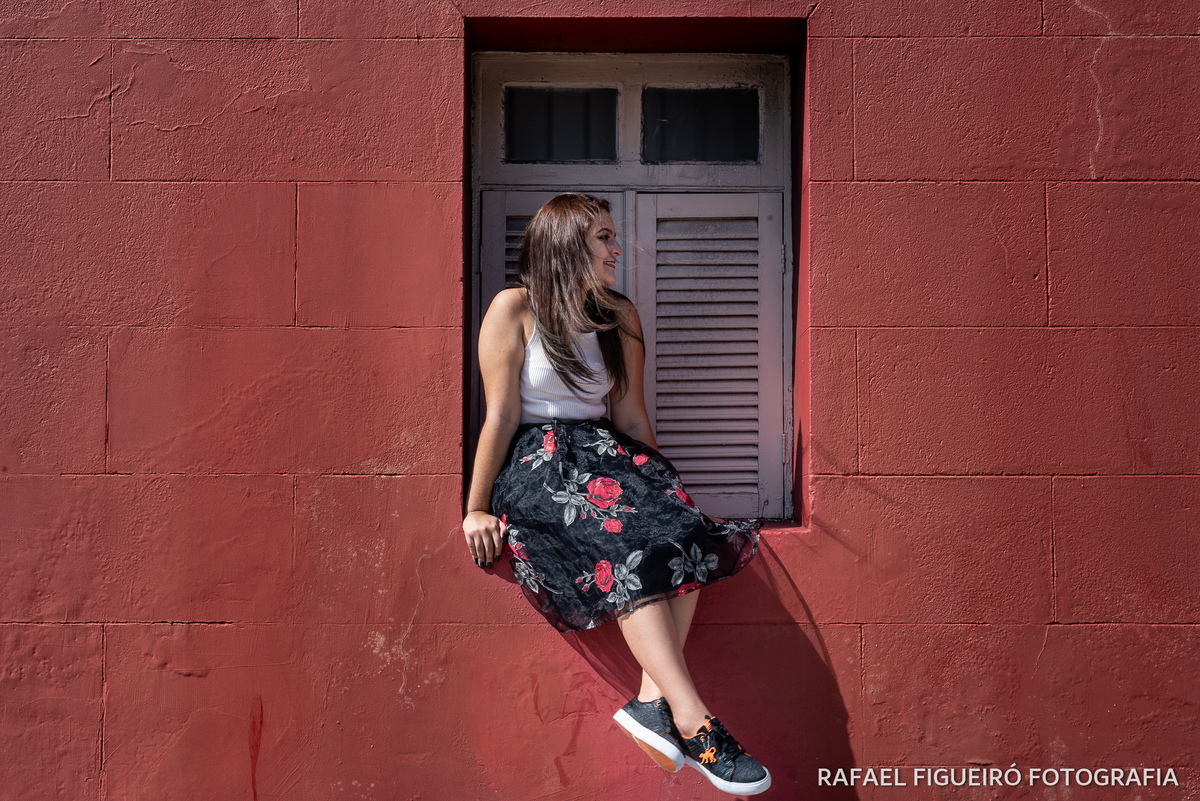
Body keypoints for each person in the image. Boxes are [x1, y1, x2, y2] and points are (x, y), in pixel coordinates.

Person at [461, 193, 771, 795]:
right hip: (540, 462)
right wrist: (475, 506)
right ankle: (694, 720)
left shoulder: (619, 314)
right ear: (568, 243)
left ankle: (650, 704)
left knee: (685, 533)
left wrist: (665, 489)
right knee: (619, 544)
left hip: (607, 454)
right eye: (604, 238)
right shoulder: (514, 309)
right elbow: (500, 415)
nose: (617, 250)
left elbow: (629, 418)